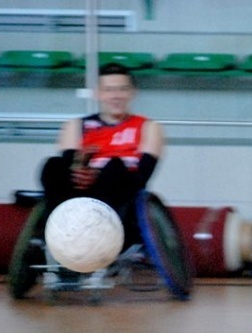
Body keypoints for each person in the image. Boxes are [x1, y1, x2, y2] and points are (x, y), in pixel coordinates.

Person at [39, 62, 165, 242]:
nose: (116, 96)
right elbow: (69, 166)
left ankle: (97, 230)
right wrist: (80, 168)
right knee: (52, 165)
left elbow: (142, 176)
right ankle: (55, 229)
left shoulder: (148, 127)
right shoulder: (76, 125)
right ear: (98, 93)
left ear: (132, 93)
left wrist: (100, 174)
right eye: (109, 90)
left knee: (114, 166)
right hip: (80, 189)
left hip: (120, 192)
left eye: (122, 89)